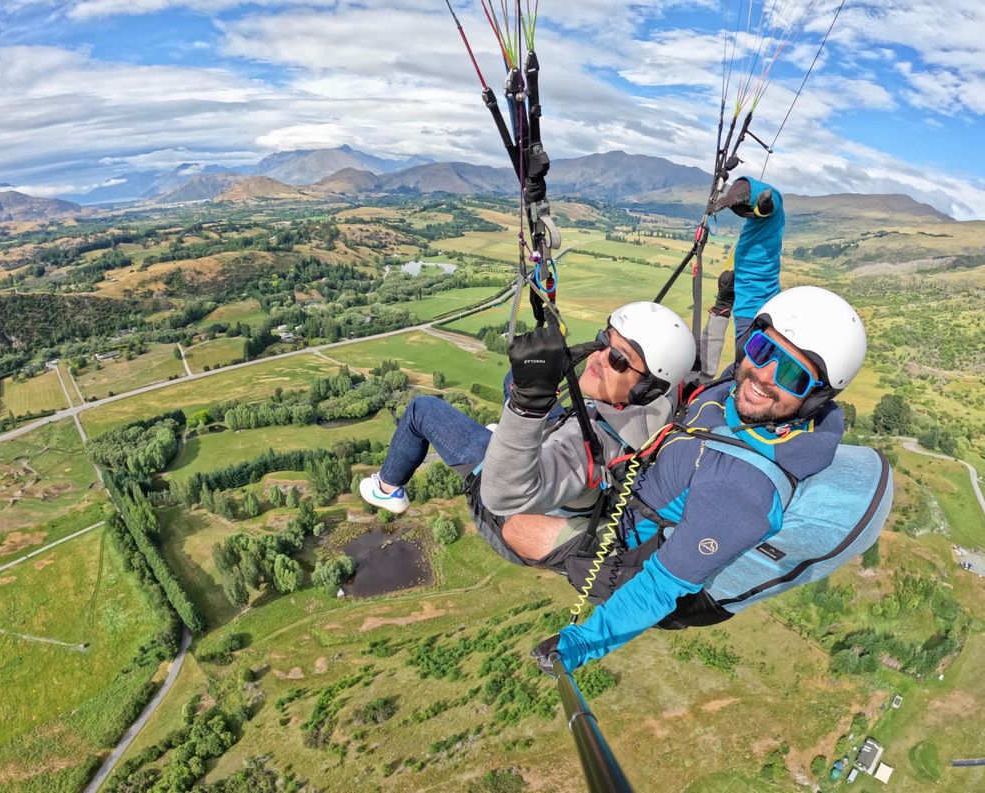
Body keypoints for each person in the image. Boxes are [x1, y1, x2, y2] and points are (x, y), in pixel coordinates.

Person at [487, 178, 868, 672]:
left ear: (815, 395)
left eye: (793, 374)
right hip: (649, 491)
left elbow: (659, 587)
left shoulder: (744, 488)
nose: (764, 376)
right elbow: (759, 282)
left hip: (639, 555)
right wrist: (765, 210)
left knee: (514, 525)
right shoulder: (744, 384)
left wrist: (583, 643)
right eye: (760, 350)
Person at [359, 301, 697, 562]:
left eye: (619, 360)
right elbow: (699, 366)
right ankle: (521, 424)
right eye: (603, 342)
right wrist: (721, 311)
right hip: (573, 442)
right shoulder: (662, 400)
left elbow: (503, 495)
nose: (598, 359)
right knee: (513, 379)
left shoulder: (586, 449)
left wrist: (527, 407)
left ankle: (387, 489)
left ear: (645, 388)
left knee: (423, 410)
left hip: (514, 496)